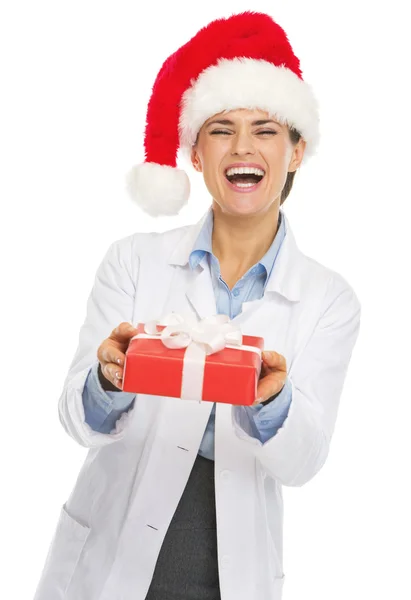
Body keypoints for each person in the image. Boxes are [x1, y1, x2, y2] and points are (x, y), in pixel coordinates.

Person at [33, 11, 361, 600]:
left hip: (229, 572)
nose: (243, 148)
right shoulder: (133, 260)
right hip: (109, 562)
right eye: (221, 129)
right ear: (195, 154)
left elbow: (305, 461)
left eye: (265, 130)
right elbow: (74, 419)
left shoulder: (328, 298)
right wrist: (109, 379)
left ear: (295, 152)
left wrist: (272, 400)